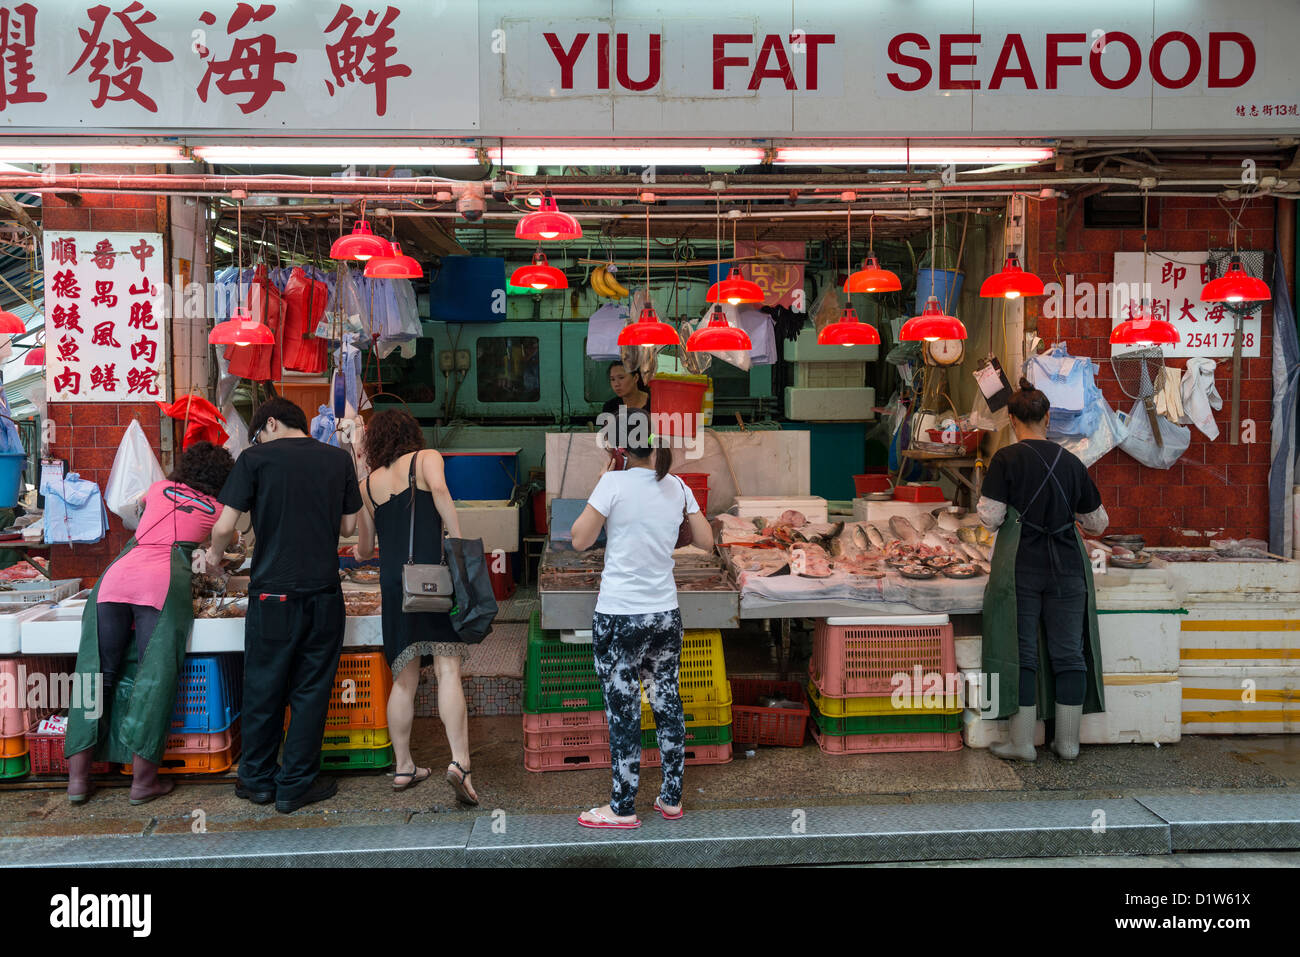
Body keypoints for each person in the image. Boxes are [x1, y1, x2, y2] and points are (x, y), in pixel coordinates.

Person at [207, 397, 363, 814]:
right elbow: (348, 527)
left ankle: (257, 780)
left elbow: (225, 526)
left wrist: (212, 555)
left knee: (264, 687)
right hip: (323, 593)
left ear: (271, 423)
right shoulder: (336, 459)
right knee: (311, 691)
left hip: (271, 595)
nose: (257, 439)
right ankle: (295, 785)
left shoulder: (255, 460)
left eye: (258, 432)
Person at [65, 441, 235, 805]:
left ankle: (77, 780)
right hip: (161, 581)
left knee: (93, 675)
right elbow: (225, 543)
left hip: (115, 577)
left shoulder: (158, 489)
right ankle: (142, 784)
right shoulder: (219, 509)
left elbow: (141, 517)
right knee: (154, 676)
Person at [569, 407, 713, 828]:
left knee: (623, 709)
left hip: (620, 617)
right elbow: (705, 541)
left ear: (621, 447)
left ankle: (622, 807)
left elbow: (579, 539)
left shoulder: (612, 483)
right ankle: (670, 799)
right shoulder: (678, 485)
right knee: (666, 699)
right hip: (664, 614)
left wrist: (601, 480)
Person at [977, 379, 1109, 763]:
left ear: (1011, 419)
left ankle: (1021, 743)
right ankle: (1068, 743)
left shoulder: (1006, 459)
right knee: (1069, 653)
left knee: (1022, 653)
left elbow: (990, 517)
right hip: (1068, 566)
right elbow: (1097, 521)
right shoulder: (1072, 462)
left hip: (1023, 566)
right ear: (1047, 418)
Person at [353, 409, 479, 805]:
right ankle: (459, 763)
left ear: (374, 443)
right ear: (411, 433)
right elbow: (440, 495)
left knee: (404, 678)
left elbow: (364, 549)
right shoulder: (427, 459)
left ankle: (404, 765)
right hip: (431, 580)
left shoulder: (367, 484)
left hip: (394, 584)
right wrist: (458, 547)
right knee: (446, 669)